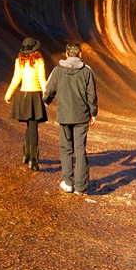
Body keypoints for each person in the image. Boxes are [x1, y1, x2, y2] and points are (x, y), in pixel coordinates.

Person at [43, 42, 97, 195]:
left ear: (66, 54)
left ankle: (68, 183)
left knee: (66, 149)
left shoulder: (58, 70)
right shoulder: (87, 71)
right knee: (80, 150)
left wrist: (46, 100)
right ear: (80, 54)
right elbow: (91, 94)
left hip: (65, 115)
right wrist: (93, 113)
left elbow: (49, 88)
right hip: (81, 115)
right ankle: (80, 187)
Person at [4, 37, 48, 171]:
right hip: (35, 96)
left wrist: (8, 94)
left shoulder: (19, 62)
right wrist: (46, 97)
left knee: (29, 127)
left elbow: (16, 79)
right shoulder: (39, 61)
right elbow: (42, 80)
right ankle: (33, 160)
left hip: (23, 96)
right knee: (33, 128)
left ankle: (26, 155)